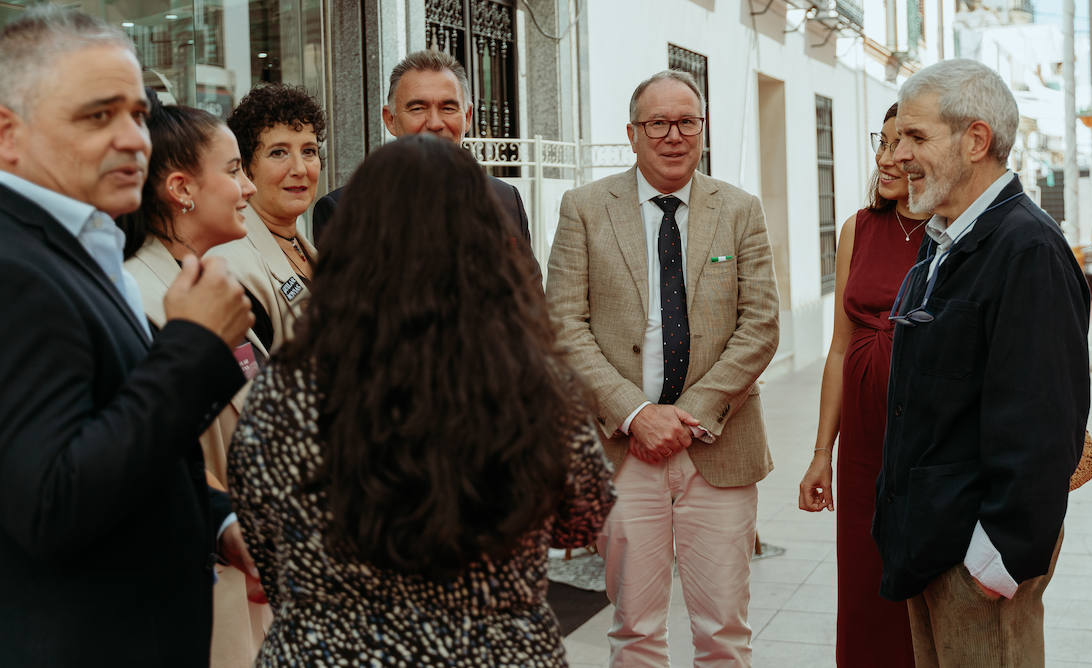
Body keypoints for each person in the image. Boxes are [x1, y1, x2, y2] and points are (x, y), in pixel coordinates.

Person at [227, 135, 614, 665]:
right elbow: (582, 520)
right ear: (486, 241)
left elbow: (265, 539)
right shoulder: (536, 383)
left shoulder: (286, 388)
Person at [0, 5, 254, 665]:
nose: (134, 139)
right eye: (97, 116)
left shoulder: (76, 242)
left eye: (138, 114)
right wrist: (195, 344)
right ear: (8, 135)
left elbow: (108, 432)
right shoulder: (12, 265)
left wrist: (214, 517)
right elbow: (52, 502)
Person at [545, 70, 780, 666]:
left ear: (702, 130)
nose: (673, 136)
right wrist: (636, 413)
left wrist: (691, 415)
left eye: (687, 122)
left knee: (724, 632)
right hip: (623, 451)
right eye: (658, 123)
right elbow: (563, 327)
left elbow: (760, 326)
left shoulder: (740, 210)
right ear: (632, 133)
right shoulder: (585, 209)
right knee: (635, 630)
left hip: (718, 450)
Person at [874, 59, 1090, 668]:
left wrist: (995, 560)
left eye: (915, 137)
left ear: (975, 140)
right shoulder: (944, 242)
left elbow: (1045, 426)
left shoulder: (1028, 250)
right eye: (894, 139)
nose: (898, 156)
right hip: (932, 547)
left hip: (978, 561)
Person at [117, 98, 269, 668]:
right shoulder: (137, 294)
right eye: (233, 171)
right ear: (182, 189)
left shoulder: (208, 280)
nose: (248, 188)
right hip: (205, 584)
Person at [797, 103, 925, 667]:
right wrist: (822, 453)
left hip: (924, 439)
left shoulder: (952, 233)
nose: (888, 157)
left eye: (903, 143)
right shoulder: (857, 227)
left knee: (921, 592)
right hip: (863, 448)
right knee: (863, 586)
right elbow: (839, 347)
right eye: (882, 142)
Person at [311, 49, 531, 250]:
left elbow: (527, 292)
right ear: (390, 119)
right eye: (417, 108)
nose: (435, 123)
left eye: (448, 108)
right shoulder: (343, 212)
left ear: (467, 118)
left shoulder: (506, 201)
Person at [209, 84, 325, 353]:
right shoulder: (229, 264)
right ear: (246, 167)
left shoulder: (305, 247)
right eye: (278, 153)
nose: (299, 169)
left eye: (308, 151)